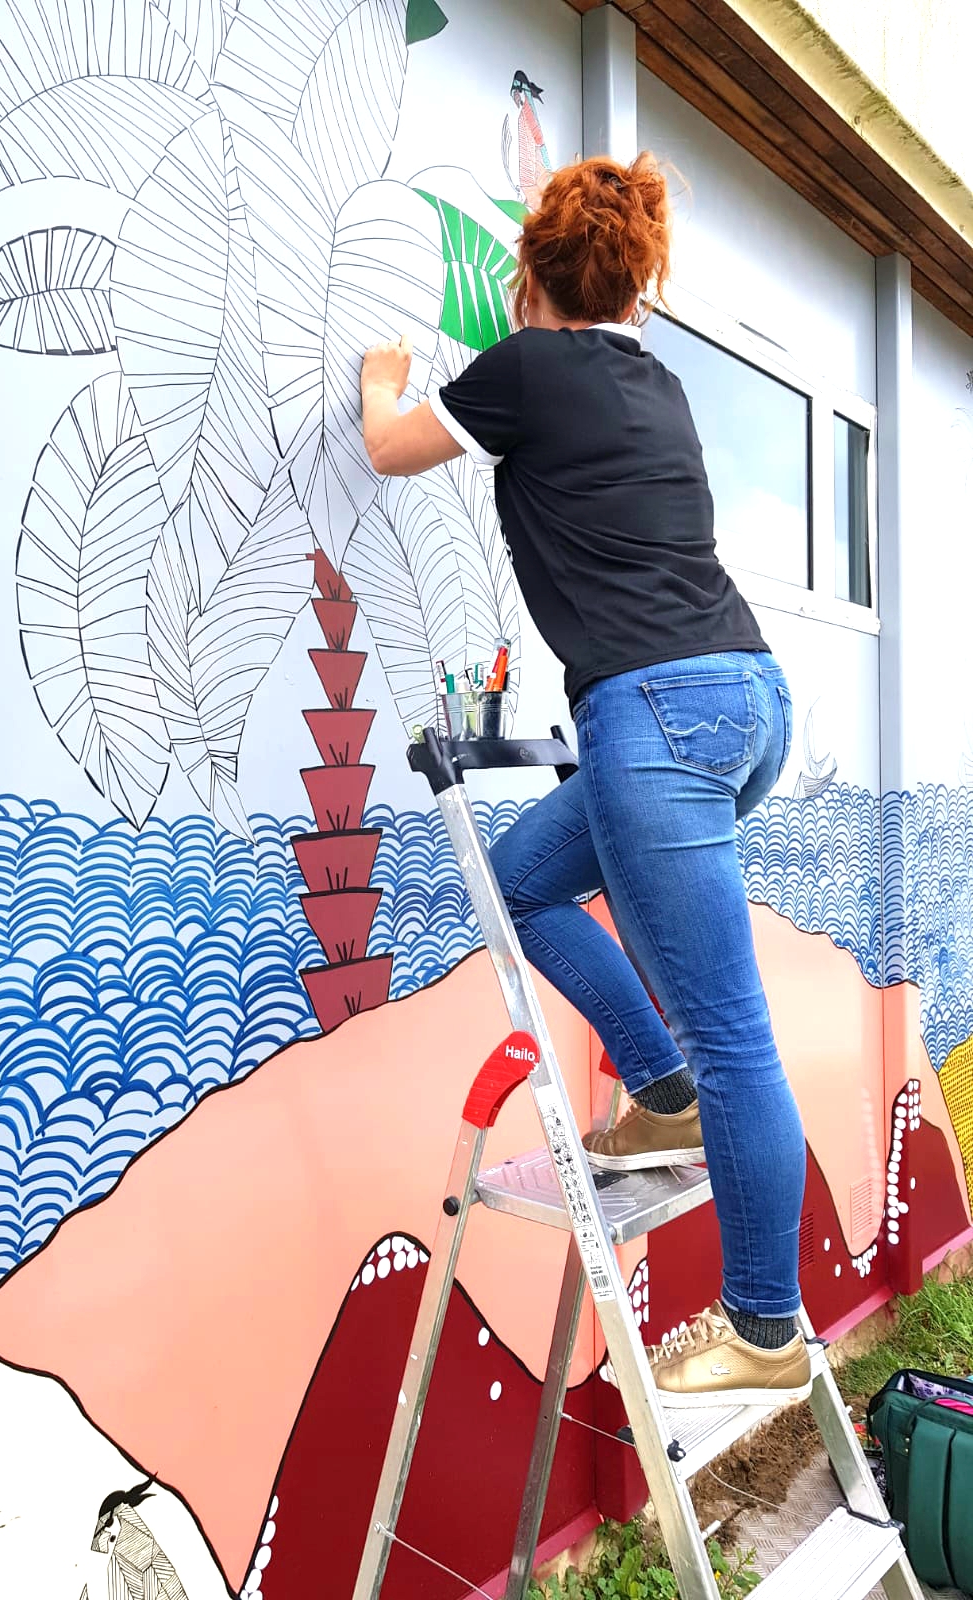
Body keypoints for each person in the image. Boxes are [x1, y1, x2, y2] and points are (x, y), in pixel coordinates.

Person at [359, 152, 810, 1408]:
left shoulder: (526, 368)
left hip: (655, 718)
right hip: (747, 702)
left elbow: (392, 447)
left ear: (533, 276)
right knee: (522, 883)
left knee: (735, 1038)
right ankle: (656, 1089)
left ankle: (764, 1326)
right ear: (633, 284)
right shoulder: (658, 384)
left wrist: (382, 376)